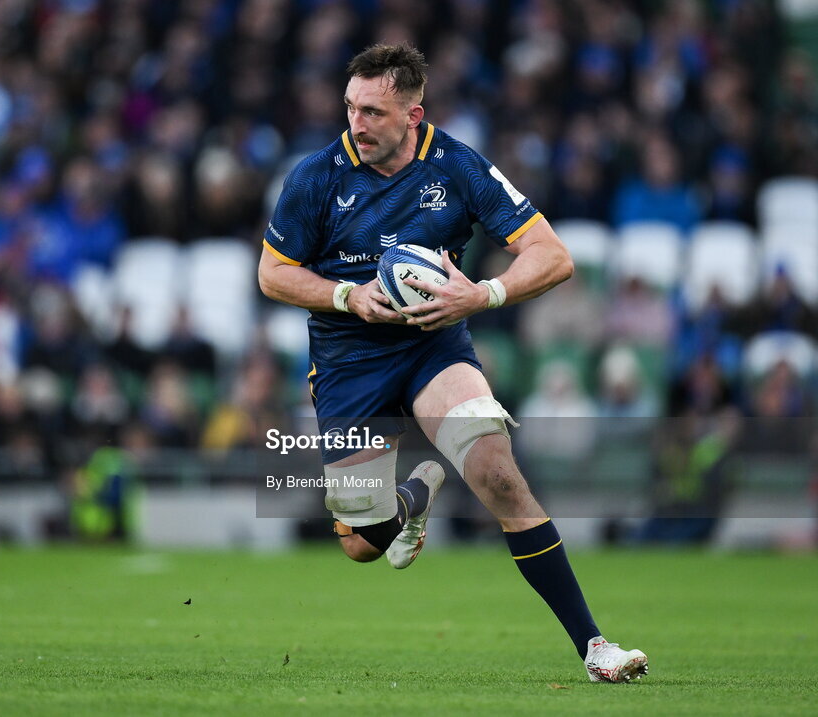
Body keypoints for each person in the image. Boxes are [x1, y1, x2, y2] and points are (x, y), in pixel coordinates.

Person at [258, 44, 648, 683]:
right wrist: (347, 295)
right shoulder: (315, 177)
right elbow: (272, 273)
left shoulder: (459, 167)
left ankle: (595, 646)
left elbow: (553, 256)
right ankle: (410, 497)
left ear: (414, 113)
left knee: (498, 474)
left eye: (374, 112)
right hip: (348, 359)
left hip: (432, 345)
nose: (357, 123)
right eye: (352, 108)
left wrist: (482, 294)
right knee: (361, 543)